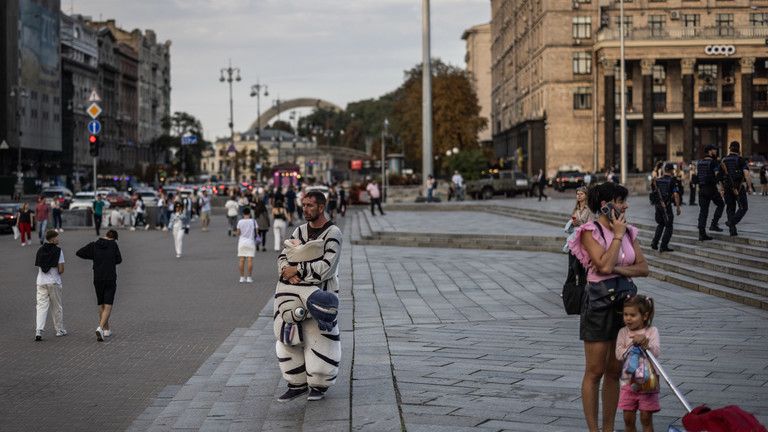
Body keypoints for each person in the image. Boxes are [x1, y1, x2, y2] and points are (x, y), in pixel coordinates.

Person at [567, 182, 649, 432]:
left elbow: (643, 268)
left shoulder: (630, 231)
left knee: (615, 370)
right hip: (599, 303)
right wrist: (616, 236)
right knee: (595, 371)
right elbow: (602, 266)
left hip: (624, 304)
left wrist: (618, 268)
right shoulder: (589, 232)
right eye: (620, 200)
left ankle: (608, 428)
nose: (625, 205)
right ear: (606, 205)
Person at [275, 190, 343, 402]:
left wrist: (298, 270)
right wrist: (287, 269)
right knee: (288, 340)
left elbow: (327, 267)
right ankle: (296, 383)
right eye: (303, 205)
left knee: (321, 341)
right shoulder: (300, 231)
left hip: (319, 296)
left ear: (321, 207)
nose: (304, 209)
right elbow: (283, 256)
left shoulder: (333, 233)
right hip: (294, 297)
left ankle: (318, 384)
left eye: (309, 205)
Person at [616, 295, 660, 432]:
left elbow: (656, 351)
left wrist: (646, 344)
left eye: (633, 315)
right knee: (628, 418)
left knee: (646, 417)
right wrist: (631, 346)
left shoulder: (652, 331)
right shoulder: (623, 332)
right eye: (625, 314)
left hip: (648, 383)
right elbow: (618, 354)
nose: (628, 318)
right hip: (627, 383)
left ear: (645, 316)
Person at [76, 229, 122, 342]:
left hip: (97, 277)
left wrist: (95, 257)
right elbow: (119, 260)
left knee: (101, 303)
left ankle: (106, 330)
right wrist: (109, 261)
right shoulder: (113, 245)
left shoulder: (94, 245)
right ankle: (100, 328)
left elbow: (79, 252)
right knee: (108, 304)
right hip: (110, 277)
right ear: (114, 238)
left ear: (106, 235)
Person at [34, 230, 67, 340]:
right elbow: (61, 269)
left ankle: (39, 331)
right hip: (54, 282)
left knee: (41, 307)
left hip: (41, 282)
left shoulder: (40, 250)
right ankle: (59, 330)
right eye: (57, 237)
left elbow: (39, 265)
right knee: (56, 306)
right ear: (52, 239)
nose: (59, 239)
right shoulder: (58, 251)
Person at [721, 141, 753, 237]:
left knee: (730, 208)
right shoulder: (740, 160)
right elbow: (746, 174)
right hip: (738, 187)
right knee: (743, 207)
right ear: (739, 149)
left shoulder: (724, 160)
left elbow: (720, 176)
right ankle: (732, 222)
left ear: (730, 148)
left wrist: (722, 189)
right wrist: (750, 187)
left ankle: (732, 230)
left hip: (727, 187)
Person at [564, 186, 593, 289]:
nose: (579, 196)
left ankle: (582, 289)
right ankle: (569, 288)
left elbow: (590, 225)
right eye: (577, 194)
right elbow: (573, 222)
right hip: (574, 240)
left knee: (581, 267)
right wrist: (572, 224)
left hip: (583, 242)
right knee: (571, 266)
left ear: (586, 195)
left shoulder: (589, 210)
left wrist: (579, 223)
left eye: (581, 194)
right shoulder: (575, 209)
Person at [696, 144, 725, 241]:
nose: (716, 152)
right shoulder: (713, 162)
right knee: (721, 204)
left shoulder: (699, 162)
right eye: (714, 150)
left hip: (701, 189)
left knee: (703, 211)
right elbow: (717, 175)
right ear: (710, 151)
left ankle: (701, 233)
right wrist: (721, 187)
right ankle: (714, 224)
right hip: (711, 189)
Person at [650, 163, 681, 252]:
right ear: (671, 170)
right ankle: (663, 246)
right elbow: (676, 194)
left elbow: (654, 192)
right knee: (669, 226)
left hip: (658, 206)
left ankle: (654, 243)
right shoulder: (672, 181)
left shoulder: (658, 180)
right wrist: (678, 207)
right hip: (666, 206)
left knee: (661, 224)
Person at [234, 207, 257, 283]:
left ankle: (242, 277)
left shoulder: (240, 222)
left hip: (242, 242)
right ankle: (249, 277)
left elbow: (238, 233)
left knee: (241, 260)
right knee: (250, 260)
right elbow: (256, 231)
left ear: (243, 214)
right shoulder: (253, 221)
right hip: (250, 242)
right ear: (249, 213)